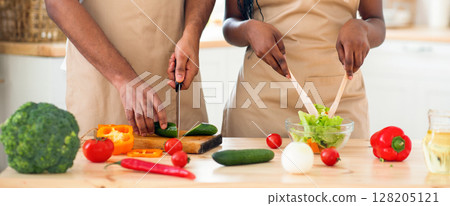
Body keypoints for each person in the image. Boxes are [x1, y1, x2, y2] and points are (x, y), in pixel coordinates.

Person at [45, 0, 215, 136]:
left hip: (178, 74)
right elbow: (57, 3)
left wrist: (192, 32)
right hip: (104, 84)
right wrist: (122, 77)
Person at [222, 0, 385, 138]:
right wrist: (248, 29)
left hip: (340, 101)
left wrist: (362, 28)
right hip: (260, 104)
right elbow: (231, 21)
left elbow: (376, 20)